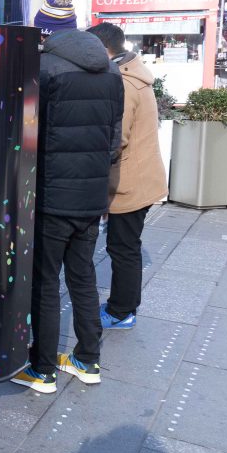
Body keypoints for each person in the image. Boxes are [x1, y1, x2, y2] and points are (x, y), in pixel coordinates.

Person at [12, 0, 124, 394]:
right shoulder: (112, 72)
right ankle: (87, 359)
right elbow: (114, 141)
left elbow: (28, 137)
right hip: (91, 196)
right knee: (83, 276)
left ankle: (41, 369)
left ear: (45, 32)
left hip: (53, 195)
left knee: (44, 282)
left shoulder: (45, 70)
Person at [87, 23, 167, 331]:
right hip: (139, 176)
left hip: (131, 182)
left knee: (123, 248)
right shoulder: (133, 75)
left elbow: (115, 139)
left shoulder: (123, 84)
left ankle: (122, 310)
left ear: (103, 49)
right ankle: (123, 306)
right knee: (125, 245)